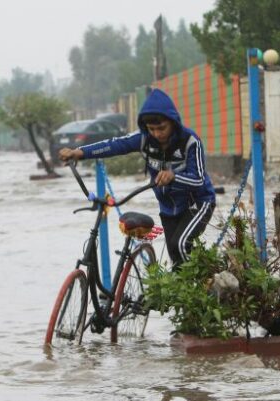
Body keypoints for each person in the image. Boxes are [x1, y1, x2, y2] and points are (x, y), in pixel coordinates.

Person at [59, 88, 216, 269]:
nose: (157, 134)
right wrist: (79, 153)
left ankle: (197, 291)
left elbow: (198, 180)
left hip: (197, 202)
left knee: (180, 244)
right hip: (168, 207)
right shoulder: (143, 139)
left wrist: (173, 176)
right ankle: (189, 289)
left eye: (162, 128)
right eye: (152, 129)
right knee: (176, 255)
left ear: (173, 122)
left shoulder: (190, 142)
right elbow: (114, 145)